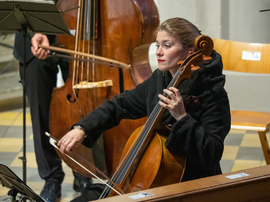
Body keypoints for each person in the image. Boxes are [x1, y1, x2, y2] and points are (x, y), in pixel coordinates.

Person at [32, 17, 231, 199]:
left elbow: (212, 153)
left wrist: (182, 118)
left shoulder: (212, 93)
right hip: (153, 184)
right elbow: (119, 105)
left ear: (190, 51)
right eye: (157, 45)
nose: (159, 52)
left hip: (191, 187)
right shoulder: (160, 79)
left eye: (167, 45)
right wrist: (82, 129)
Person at [13, 29, 92, 202]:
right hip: (31, 40)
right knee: (40, 113)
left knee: (81, 106)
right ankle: (51, 178)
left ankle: (83, 172)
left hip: (74, 34)